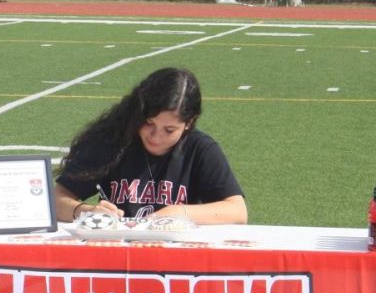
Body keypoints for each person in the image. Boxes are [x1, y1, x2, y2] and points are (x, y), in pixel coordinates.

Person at [54, 67, 247, 225]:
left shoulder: (201, 148)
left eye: (169, 130)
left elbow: (237, 211)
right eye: (148, 122)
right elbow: (55, 198)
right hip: (118, 251)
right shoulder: (112, 140)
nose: (156, 136)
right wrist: (85, 211)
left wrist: (177, 212)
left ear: (189, 122)